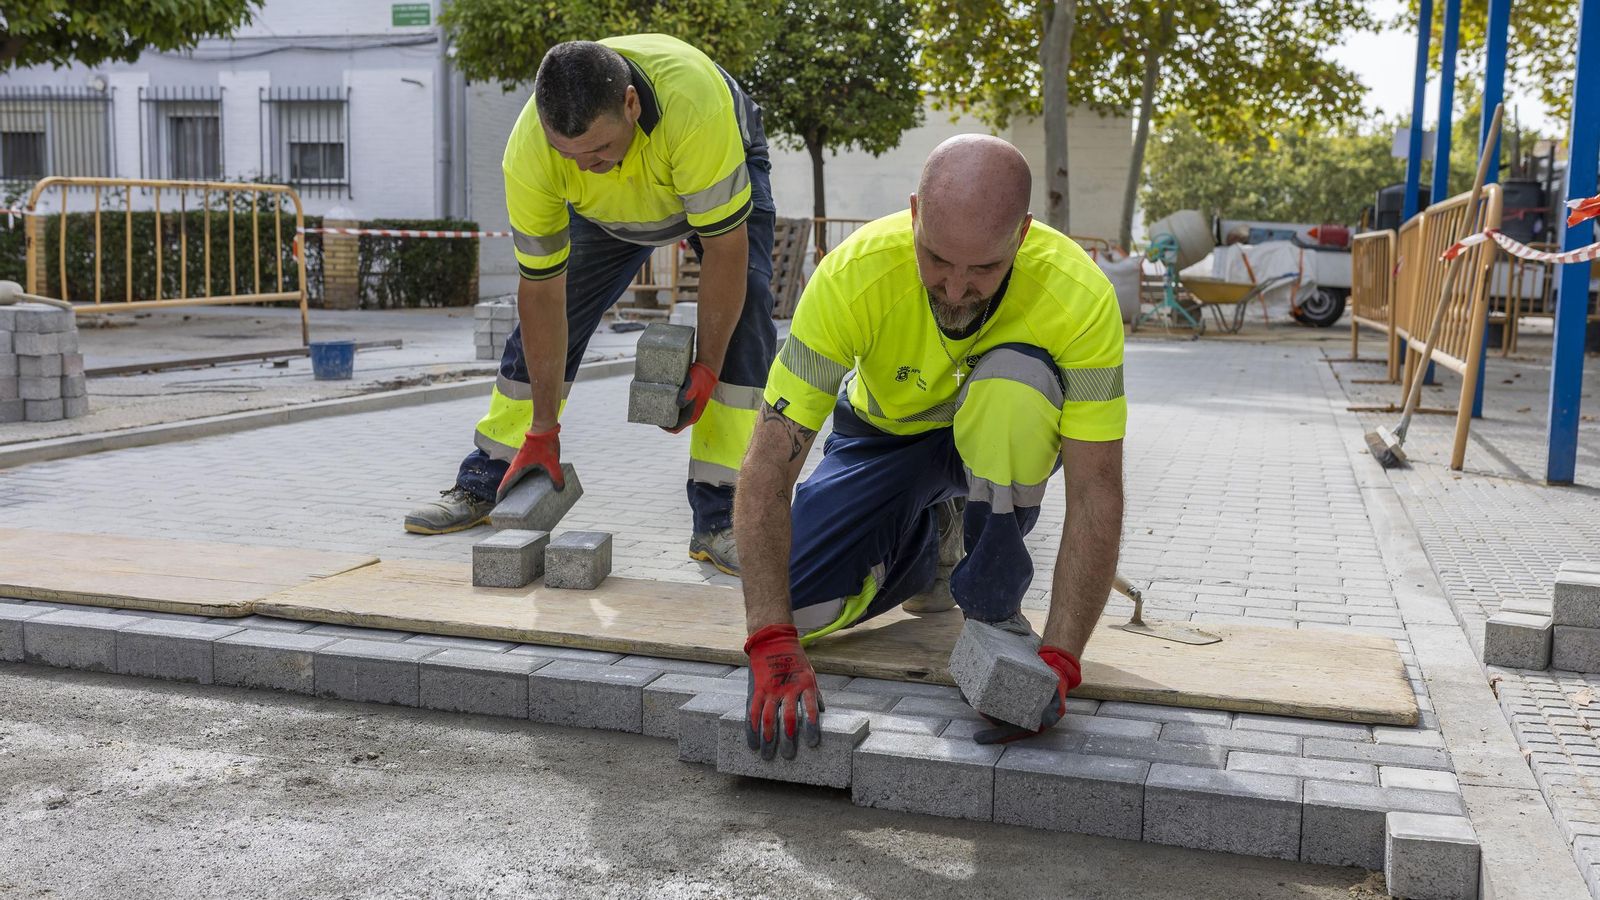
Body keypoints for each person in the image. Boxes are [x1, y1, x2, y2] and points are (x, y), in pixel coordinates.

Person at [732, 135, 1126, 757]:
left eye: (984, 269)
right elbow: (768, 462)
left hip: (997, 443)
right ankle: (929, 551)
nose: (955, 288)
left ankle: (991, 590)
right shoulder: (853, 275)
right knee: (801, 604)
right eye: (937, 259)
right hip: (884, 438)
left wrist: (1061, 660)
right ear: (915, 214)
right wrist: (770, 638)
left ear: (1022, 234)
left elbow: (1097, 487)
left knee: (1016, 386)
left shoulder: (1078, 295)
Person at [405, 35, 776, 576]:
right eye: (569, 157)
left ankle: (721, 511)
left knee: (746, 311)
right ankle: (494, 473)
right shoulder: (532, 151)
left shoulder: (694, 107)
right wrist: (543, 426)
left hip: (704, 165)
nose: (586, 167)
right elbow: (541, 293)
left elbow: (724, 253)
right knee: (561, 309)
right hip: (607, 215)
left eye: (599, 151)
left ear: (630, 103)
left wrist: (707, 367)